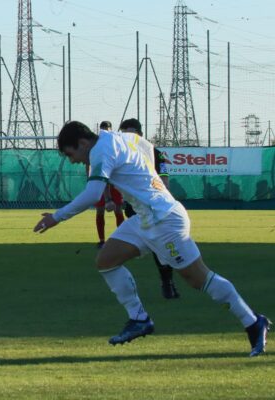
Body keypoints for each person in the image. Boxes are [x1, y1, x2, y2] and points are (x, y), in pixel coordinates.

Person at [34, 121, 270, 357]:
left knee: (199, 279)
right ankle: (139, 319)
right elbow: (148, 147)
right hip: (146, 217)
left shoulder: (101, 150)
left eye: (70, 154)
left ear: (83, 143)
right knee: (106, 260)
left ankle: (253, 322)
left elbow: (93, 194)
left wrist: (57, 217)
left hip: (164, 220)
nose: (72, 160)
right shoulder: (119, 138)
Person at [119, 118, 180, 299]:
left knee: (159, 245)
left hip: (155, 207)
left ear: (140, 134)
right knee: (151, 244)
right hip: (133, 207)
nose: (129, 137)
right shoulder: (122, 154)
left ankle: (167, 282)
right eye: (125, 133)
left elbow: (164, 180)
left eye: (132, 133)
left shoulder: (155, 153)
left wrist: (162, 200)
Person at [90, 121, 124, 248]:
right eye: (103, 128)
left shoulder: (115, 141)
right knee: (100, 211)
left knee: (118, 210)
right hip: (101, 181)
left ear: (110, 129)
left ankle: (121, 239)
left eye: (106, 128)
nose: (105, 131)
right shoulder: (98, 144)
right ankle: (102, 240)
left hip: (114, 183)